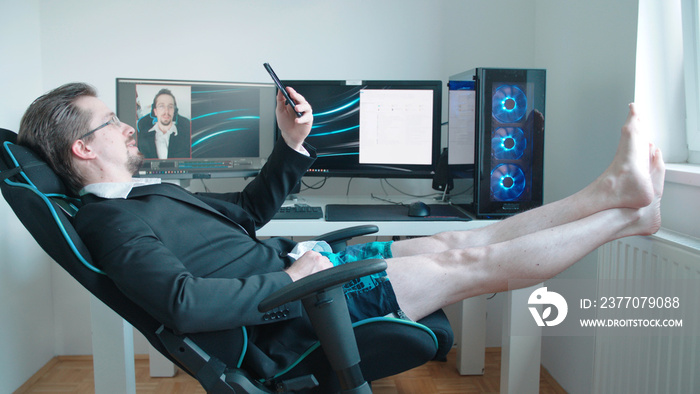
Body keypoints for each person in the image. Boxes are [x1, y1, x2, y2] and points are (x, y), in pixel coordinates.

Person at [17, 82, 664, 380]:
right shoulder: (110, 222)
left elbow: (241, 217)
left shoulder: (143, 194)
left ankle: (615, 193)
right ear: (81, 149)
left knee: (459, 241)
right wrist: (292, 277)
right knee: (469, 263)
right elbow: (183, 305)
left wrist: (292, 145)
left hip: (309, 274)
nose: (128, 127)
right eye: (111, 123)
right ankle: (626, 215)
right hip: (296, 312)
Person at [137, 88, 191, 159]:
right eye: (161, 106)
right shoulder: (142, 137)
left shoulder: (187, 136)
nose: (166, 111)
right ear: (155, 111)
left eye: (170, 106)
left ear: (174, 111)